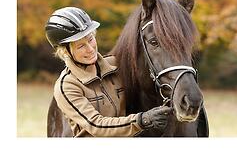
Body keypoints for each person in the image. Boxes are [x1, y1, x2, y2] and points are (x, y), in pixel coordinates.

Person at [45, 7, 172, 137]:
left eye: (90, 39)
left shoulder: (116, 65)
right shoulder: (67, 86)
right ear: (65, 52)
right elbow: (97, 125)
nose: (90, 49)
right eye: (81, 46)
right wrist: (143, 120)